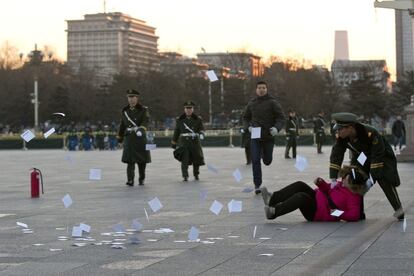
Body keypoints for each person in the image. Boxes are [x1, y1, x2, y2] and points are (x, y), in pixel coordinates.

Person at [330, 112, 404, 220]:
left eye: (340, 129)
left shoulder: (370, 133)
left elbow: (377, 156)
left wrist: (371, 179)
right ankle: (359, 213)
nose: (338, 131)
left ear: (350, 127)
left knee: (385, 180)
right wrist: (333, 178)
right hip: (361, 157)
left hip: (382, 157)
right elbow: (336, 155)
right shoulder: (342, 137)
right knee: (354, 178)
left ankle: (399, 210)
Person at [260, 165, 367, 222]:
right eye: (344, 177)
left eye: (346, 180)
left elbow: (354, 215)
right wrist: (321, 183)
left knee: (301, 197)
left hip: (317, 213)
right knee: (300, 185)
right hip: (317, 199)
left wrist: (338, 213)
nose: (343, 179)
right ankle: (272, 199)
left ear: (353, 185)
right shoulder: (341, 185)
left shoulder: (354, 197)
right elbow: (328, 190)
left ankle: (274, 212)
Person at [243, 81, 285, 194]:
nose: (261, 90)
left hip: (268, 136)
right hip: (255, 135)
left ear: (266, 89)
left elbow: (281, 117)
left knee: (267, 161)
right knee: (255, 160)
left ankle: (264, 154)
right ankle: (257, 184)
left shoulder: (273, 102)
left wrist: (276, 128)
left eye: (263, 88)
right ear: (256, 90)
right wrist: (248, 127)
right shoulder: (251, 103)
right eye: (259, 88)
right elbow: (245, 118)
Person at [117, 89, 151, 186]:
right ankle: (130, 179)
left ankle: (141, 178)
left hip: (140, 138)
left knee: (142, 160)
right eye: (129, 97)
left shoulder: (143, 109)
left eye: (133, 97)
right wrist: (120, 138)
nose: (131, 100)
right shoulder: (125, 111)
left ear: (137, 98)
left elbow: (145, 121)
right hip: (129, 138)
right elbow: (122, 125)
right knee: (130, 160)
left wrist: (141, 129)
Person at [171, 101, 205, 181]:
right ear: (184, 109)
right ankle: (185, 175)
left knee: (196, 159)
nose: (188, 110)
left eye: (190, 108)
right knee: (184, 160)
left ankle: (196, 174)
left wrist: (201, 133)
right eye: (187, 108)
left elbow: (201, 128)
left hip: (194, 142)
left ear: (193, 109)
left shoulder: (198, 119)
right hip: (184, 142)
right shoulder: (180, 119)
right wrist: (174, 142)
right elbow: (177, 132)